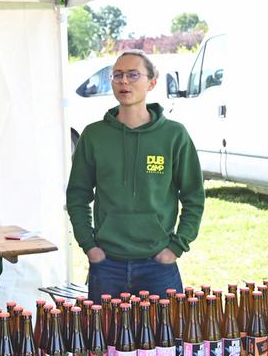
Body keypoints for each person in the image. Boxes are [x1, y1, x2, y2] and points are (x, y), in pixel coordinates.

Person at [66, 49, 205, 301]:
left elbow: (194, 196)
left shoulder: (174, 135)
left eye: (133, 74)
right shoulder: (94, 135)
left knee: (167, 339)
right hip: (107, 263)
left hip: (158, 265)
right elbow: (77, 195)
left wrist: (176, 247)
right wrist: (89, 245)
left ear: (152, 82)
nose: (124, 82)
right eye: (117, 75)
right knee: (105, 339)